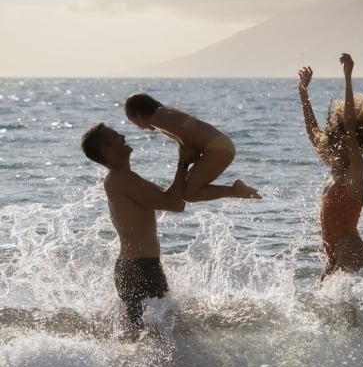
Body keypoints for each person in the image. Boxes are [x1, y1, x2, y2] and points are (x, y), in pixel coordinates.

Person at [81, 123, 188, 340]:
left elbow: (172, 198)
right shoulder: (122, 179)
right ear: (107, 150)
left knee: (144, 336)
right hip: (140, 268)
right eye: (115, 136)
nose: (122, 135)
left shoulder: (122, 178)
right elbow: (175, 203)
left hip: (137, 267)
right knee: (151, 338)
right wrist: (184, 161)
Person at [298, 53, 363, 279]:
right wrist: (303, 93)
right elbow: (313, 133)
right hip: (333, 255)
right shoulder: (335, 168)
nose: (337, 143)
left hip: (350, 250)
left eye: (343, 140)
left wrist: (348, 77)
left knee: (353, 313)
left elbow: (350, 126)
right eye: (335, 138)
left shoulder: (356, 171)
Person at [124, 93, 261, 202]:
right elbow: (185, 132)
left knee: (189, 194)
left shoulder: (156, 118)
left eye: (134, 122)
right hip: (220, 146)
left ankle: (236, 190)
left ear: (138, 114)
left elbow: (184, 133)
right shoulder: (162, 114)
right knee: (186, 193)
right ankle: (237, 191)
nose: (138, 127)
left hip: (217, 149)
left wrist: (187, 152)